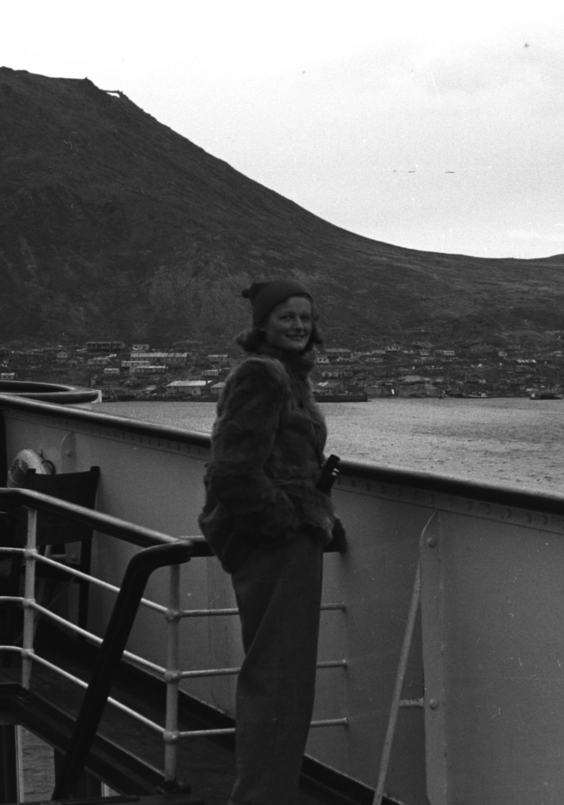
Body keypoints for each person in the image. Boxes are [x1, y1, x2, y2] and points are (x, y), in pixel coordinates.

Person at [197, 278, 339, 805]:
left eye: (305, 316)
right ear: (262, 325)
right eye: (287, 317)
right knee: (278, 682)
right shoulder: (261, 375)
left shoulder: (290, 377)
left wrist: (318, 514)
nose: (299, 325)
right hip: (273, 544)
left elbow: (286, 463)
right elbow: (233, 470)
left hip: (287, 538)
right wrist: (286, 521)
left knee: (283, 680)